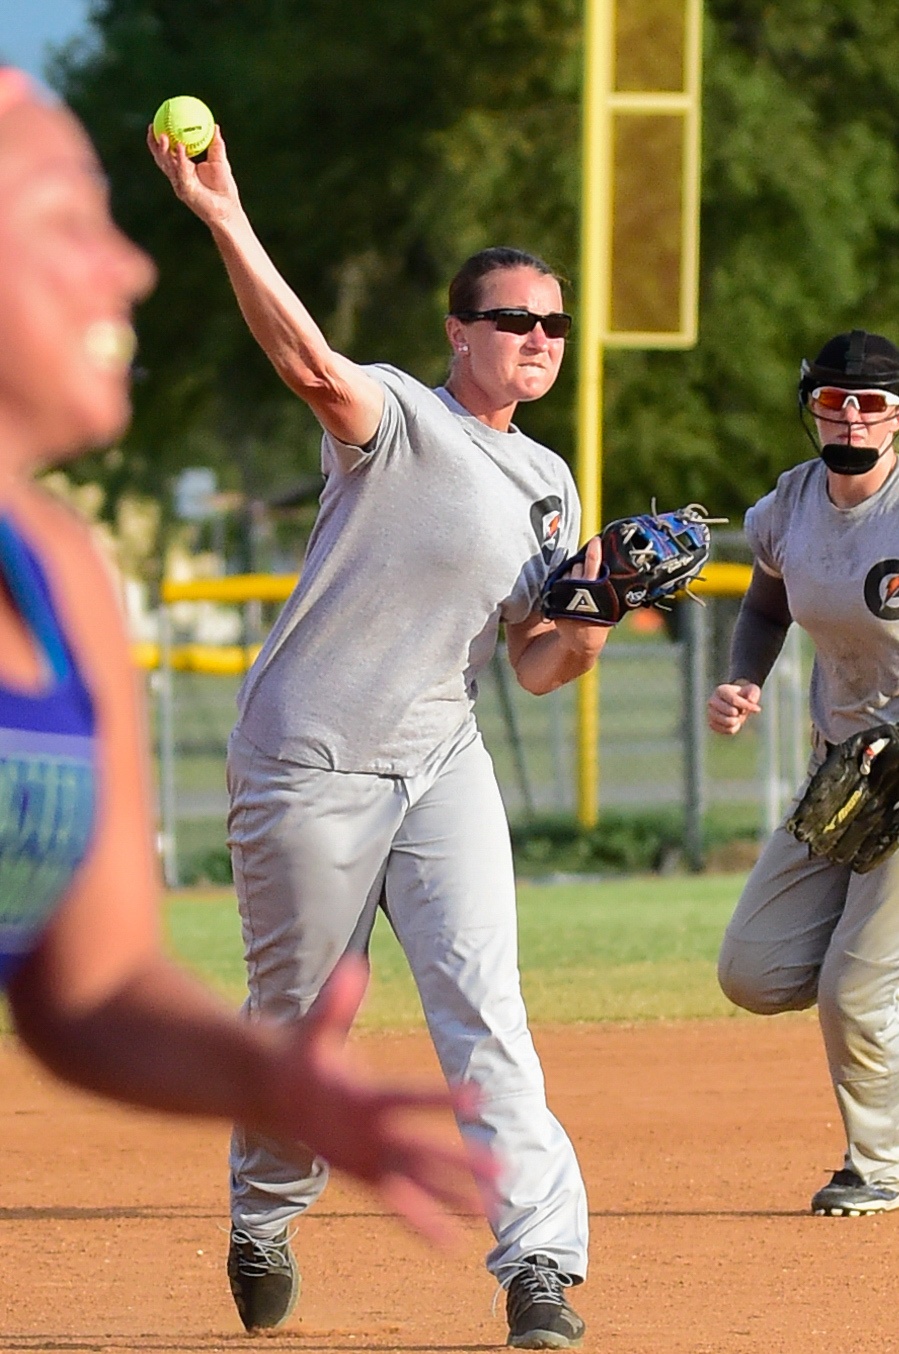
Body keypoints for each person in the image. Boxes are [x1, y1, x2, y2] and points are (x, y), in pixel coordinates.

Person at [0, 60, 497, 1297]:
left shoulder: (59, 572)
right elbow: (318, 369)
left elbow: (94, 989)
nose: (130, 268)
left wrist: (268, 1081)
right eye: (66, 220)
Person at [148, 114, 610, 1348]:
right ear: (458, 332)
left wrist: (596, 614)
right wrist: (222, 216)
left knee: (484, 1008)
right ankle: (260, 1215)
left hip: (440, 756)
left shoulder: (552, 482)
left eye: (553, 323)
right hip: (309, 757)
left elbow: (536, 664)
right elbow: (304, 360)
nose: (537, 340)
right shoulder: (397, 416)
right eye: (513, 319)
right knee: (301, 1023)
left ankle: (538, 1268)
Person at [708, 328, 899, 1217]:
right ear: (810, 407)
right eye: (833, 399)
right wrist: (743, 678)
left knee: (854, 987)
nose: (850, 416)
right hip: (842, 775)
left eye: (870, 401)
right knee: (755, 971)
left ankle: (880, 1165)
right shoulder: (791, 504)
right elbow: (764, 603)